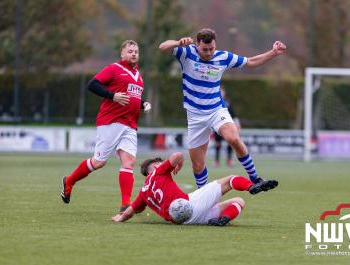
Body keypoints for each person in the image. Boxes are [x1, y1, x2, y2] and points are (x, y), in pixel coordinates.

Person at [159, 28, 286, 188]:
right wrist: (178, 43)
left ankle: (255, 178)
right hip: (195, 116)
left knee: (233, 138)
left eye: (211, 48)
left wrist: (273, 52)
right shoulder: (187, 53)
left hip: (216, 110)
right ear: (197, 45)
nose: (209, 52)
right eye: (205, 49)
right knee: (198, 165)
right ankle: (203, 199)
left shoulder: (223, 57)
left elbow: (251, 61)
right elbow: (163, 47)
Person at [61, 40, 152, 212]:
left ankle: (125, 204)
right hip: (111, 122)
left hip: (130, 125)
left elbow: (132, 99)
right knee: (98, 162)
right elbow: (92, 84)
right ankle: (69, 181)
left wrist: (143, 104)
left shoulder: (138, 76)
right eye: (130, 51)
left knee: (128, 162)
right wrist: (112, 95)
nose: (134, 54)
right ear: (122, 54)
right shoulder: (114, 69)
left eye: (136, 51)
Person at [111, 152, 278, 226]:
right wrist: (180, 162)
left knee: (238, 201)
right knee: (230, 180)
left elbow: (129, 212)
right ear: (154, 166)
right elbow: (177, 155)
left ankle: (222, 219)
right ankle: (252, 186)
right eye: (159, 163)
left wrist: (118, 218)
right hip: (189, 204)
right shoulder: (158, 172)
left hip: (183, 219)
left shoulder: (144, 193)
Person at [213, 86, 240, 168]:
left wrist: (237, 123)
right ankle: (216, 161)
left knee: (231, 142)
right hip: (217, 126)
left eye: (222, 92)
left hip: (227, 126)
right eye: (220, 92)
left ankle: (229, 160)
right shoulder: (214, 102)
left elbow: (233, 114)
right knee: (218, 144)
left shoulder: (227, 103)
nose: (221, 93)